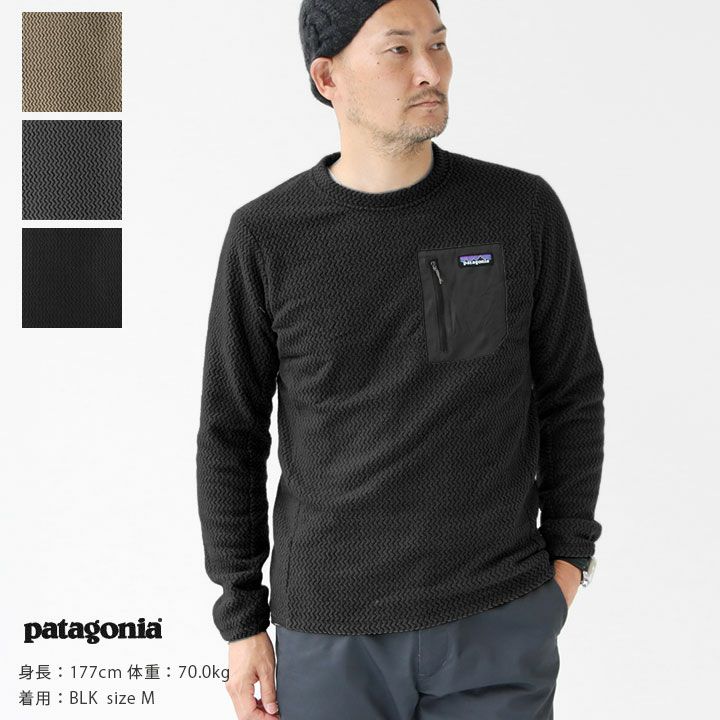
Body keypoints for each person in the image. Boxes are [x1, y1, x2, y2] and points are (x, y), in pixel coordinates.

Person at [195, 0, 605, 718]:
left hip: (497, 616)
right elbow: (230, 434)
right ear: (328, 77)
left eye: (438, 45)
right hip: (330, 629)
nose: (430, 71)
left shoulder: (517, 210)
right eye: (398, 50)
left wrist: (567, 562)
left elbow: (570, 392)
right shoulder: (267, 235)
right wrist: (242, 617)